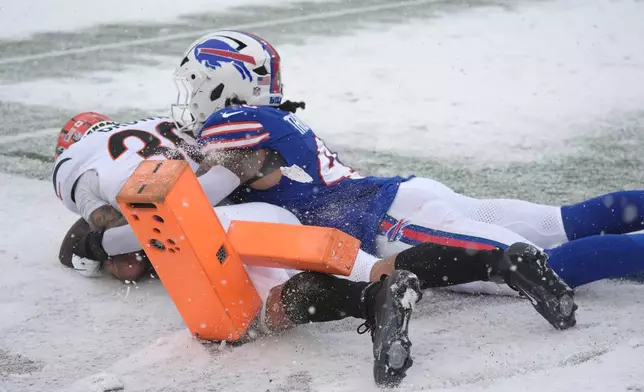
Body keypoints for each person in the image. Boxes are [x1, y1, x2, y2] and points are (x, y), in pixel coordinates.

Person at [51, 111, 578, 384]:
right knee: (379, 267)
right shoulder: (163, 127)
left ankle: (373, 303)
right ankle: (494, 260)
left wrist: (98, 242)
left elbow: (118, 240)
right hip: (269, 218)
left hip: (216, 232)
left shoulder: (77, 161)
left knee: (266, 312)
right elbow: (224, 171)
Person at [170, 30, 644, 292]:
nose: (191, 100)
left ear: (219, 82)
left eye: (195, 85)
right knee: (566, 220)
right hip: (406, 196)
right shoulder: (268, 117)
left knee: (541, 267)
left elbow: (199, 200)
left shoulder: (232, 121)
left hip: (388, 220)